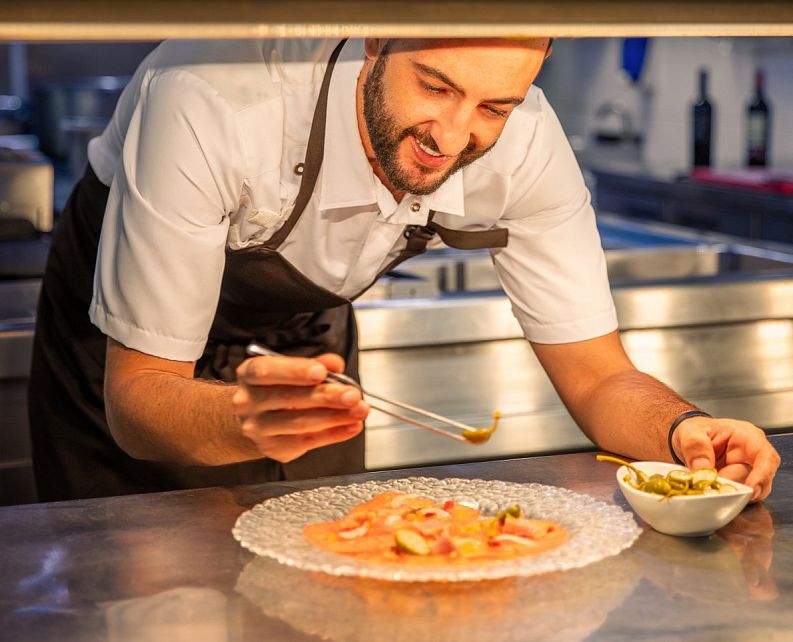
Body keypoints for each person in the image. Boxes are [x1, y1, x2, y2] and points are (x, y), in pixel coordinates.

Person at [29, 37, 780, 502]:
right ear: (377, 33)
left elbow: (597, 375)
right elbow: (137, 398)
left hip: (301, 337)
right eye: (435, 86)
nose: (454, 136)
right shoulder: (212, 92)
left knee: (319, 580)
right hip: (129, 352)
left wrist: (687, 435)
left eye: (495, 105)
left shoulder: (528, 142)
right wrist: (239, 416)